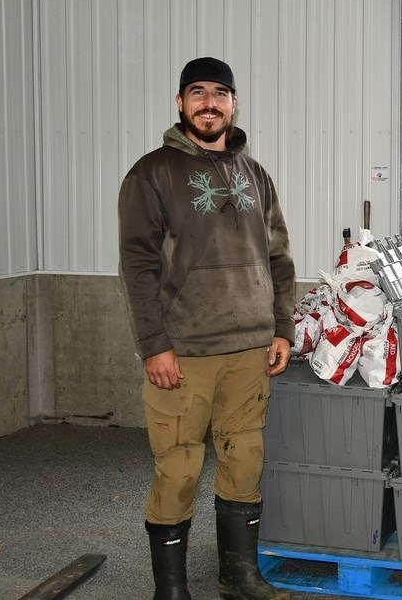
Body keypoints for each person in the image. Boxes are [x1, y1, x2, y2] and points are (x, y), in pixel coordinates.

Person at [118, 56, 295, 600]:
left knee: (245, 460)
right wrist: (155, 346)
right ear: (180, 103)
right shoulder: (152, 173)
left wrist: (282, 327)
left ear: (234, 103)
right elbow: (137, 265)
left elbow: (280, 259)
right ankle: (170, 591)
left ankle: (238, 577)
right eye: (198, 92)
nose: (209, 103)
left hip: (249, 349)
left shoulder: (254, 173)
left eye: (220, 93)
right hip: (184, 352)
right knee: (179, 468)